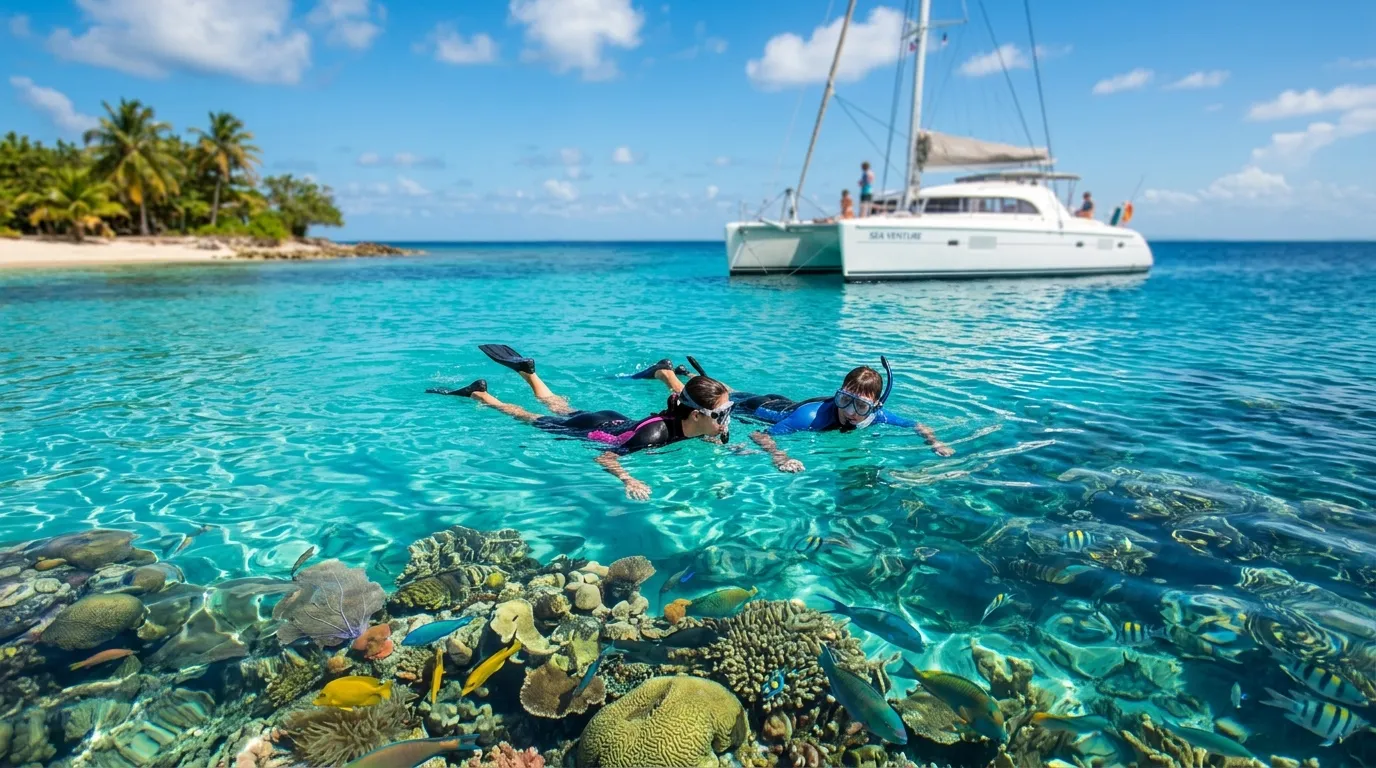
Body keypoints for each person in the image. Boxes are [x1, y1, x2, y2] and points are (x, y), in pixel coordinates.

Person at [428, 345, 732, 501]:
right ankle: (481, 395)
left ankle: (529, 372)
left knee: (561, 407)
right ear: (696, 415)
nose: (726, 419)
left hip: (612, 419)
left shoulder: (696, 423)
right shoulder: (655, 434)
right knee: (529, 418)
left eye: (727, 411)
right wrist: (629, 479)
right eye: (721, 414)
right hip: (596, 432)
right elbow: (605, 455)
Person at [625, 356, 953, 474]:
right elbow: (760, 435)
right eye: (845, 401)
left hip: (782, 401)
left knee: (731, 391)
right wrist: (779, 458)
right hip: (765, 412)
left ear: (874, 408)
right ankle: (667, 374)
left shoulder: (874, 416)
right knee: (727, 399)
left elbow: (917, 424)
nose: (851, 413)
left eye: (861, 407)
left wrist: (934, 442)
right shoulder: (812, 419)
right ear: (838, 394)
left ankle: (693, 378)